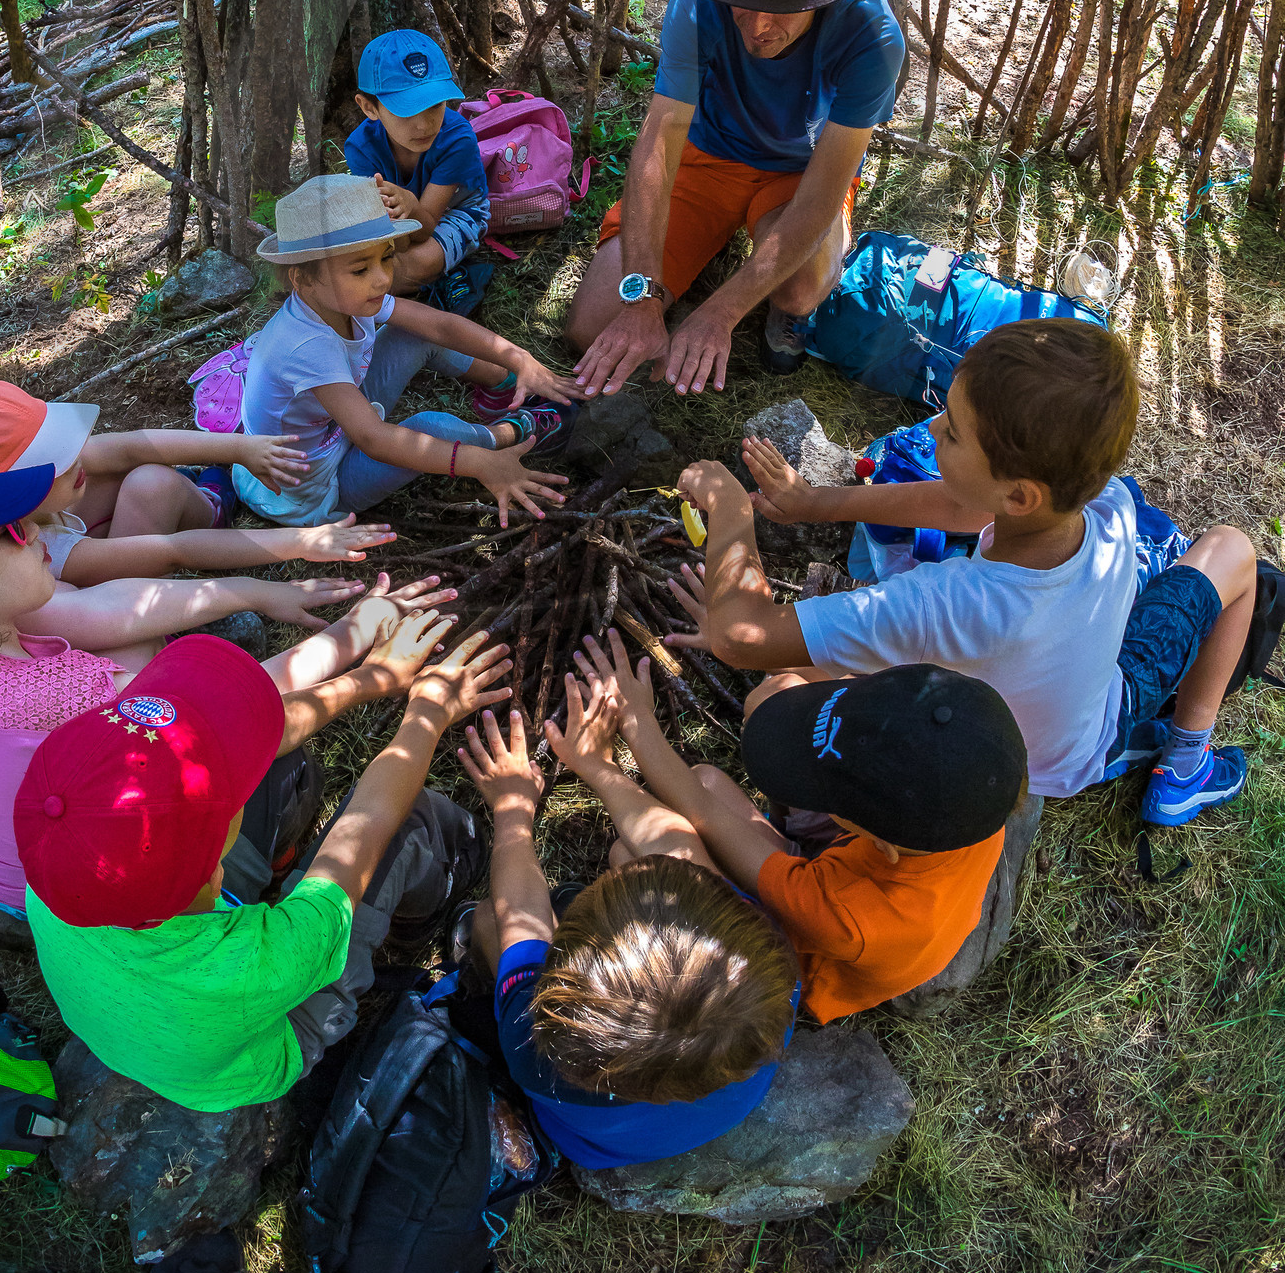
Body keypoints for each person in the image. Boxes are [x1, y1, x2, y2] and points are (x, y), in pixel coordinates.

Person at [671, 319, 1258, 825]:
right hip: (1074, 705)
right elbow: (964, 506)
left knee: (777, 692)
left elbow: (739, 637)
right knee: (1232, 549)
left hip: (1047, 759)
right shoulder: (1107, 504)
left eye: (950, 431)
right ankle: (1188, 761)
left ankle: (1178, 765)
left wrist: (728, 508)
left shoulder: (943, 605)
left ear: (1019, 495)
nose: (931, 431)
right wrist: (814, 503)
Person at [0, 452, 448, 913]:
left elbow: (117, 610)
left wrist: (256, 593)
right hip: (60, 894)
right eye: (13, 532)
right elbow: (237, 716)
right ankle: (258, 866)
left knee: (135, 645)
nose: (39, 528)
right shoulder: (51, 693)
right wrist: (354, 638)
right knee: (263, 767)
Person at [15, 622, 509, 1110]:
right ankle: (421, 917)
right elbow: (371, 824)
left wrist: (370, 678)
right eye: (226, 799)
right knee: (412, 820)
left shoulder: (60, 864)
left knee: (263, 757)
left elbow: (256, 737)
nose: (232, 782)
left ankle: (277, 862)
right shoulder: (257, 961)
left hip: (156, 1005)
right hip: (268, 1036)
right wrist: (427, 712)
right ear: (214, 872)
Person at [577, 631, 1026, 1021]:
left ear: (878, 841)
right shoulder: (976, 789)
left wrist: (638, 722)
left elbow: (700, 813)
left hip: (796, 953)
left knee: (634, 854)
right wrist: (747, 638)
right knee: (720, 763)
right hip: (852, 875)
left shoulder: (847, 916)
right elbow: (831, 689)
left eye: (827, 793)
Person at [566, 0, 903, 397]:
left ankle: (768, 291)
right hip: (706, 159)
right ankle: (716, 243)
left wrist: (719, 313)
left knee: (800, 291)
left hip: (800, 170)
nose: (758, 26)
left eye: (781, 7)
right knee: (591, 325)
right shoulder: (699, 2)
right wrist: (641, 300)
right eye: (744, 4)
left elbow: (824, 188)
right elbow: (662, 136)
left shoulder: (870, 34)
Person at [456, 692, 797, 1170]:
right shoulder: (759, 969)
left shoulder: (535, 1048)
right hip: (700, 1108)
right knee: (629, 850)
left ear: (567, 983)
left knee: (490, 920)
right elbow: (677, 848)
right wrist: (597, 767)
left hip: (595, 1144)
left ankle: (471, 950)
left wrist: (513, 809)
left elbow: (520, 916)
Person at [232, 175, 578, 532]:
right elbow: (373, 438)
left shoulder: (339, 299)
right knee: (431, 427)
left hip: (333, 428)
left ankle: (504, 389)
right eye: (361, 268)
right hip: (313, 485)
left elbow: (439, 326)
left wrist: (517, 359)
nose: (382, 279)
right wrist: (477, 463)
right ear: (302, 278)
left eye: (386, 258)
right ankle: (514, 434)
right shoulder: (306, 346)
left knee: (411, 333)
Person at [0, 379, 396, 587]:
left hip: (100, 532)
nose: (73, 459)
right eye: (53, 463)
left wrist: (239, 449)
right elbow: (176, 550)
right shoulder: (42, 552)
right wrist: (300, 541)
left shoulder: (49, 490)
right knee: (152, 483)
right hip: (119, 579)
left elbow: (132, 445)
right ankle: (213, 499)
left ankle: (195, 481)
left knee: (137, 469)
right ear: (14, 495)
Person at [344, 28, 492, 309]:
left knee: (412, 265)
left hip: (457, 211)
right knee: (373, 267)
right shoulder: (360, 149)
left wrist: (409, 207)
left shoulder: (457, 137)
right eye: (406, 111)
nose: (424, 125)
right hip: (406, 219)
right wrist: (393, 230)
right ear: (369, 107)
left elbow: (423, 230)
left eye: (435, 106)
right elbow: (393, 237)